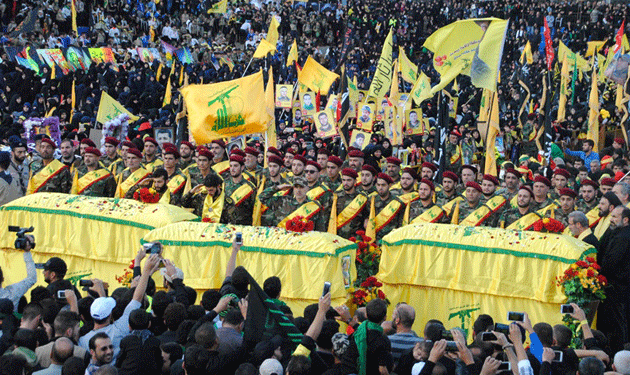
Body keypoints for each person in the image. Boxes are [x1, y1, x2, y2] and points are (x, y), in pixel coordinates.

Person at [78, 254, 161, 361]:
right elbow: (137, 298)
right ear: (111, 314)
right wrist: (146, 272)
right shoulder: (119, 329)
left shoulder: (83, 341)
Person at [597, 206, 630, 353]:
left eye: (615, 217)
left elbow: (610, 262)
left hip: (618, 287)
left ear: (625, 220)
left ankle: (617, 353)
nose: (611, 220)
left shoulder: (623, 236)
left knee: (617, 324)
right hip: (617, 286)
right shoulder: (618, 232)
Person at [0, 234, 36, 311]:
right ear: (2, 279)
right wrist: (27, 251)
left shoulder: (12, 291)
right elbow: (32, 278)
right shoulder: (12, 292)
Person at [220, 155, 256, 225]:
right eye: (231, 166)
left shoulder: (249, 187)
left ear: (242, 167)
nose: (232, 169)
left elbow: (254, 209)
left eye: (235, 166)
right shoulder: (224, 183)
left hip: (243, 226)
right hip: (226, 225)